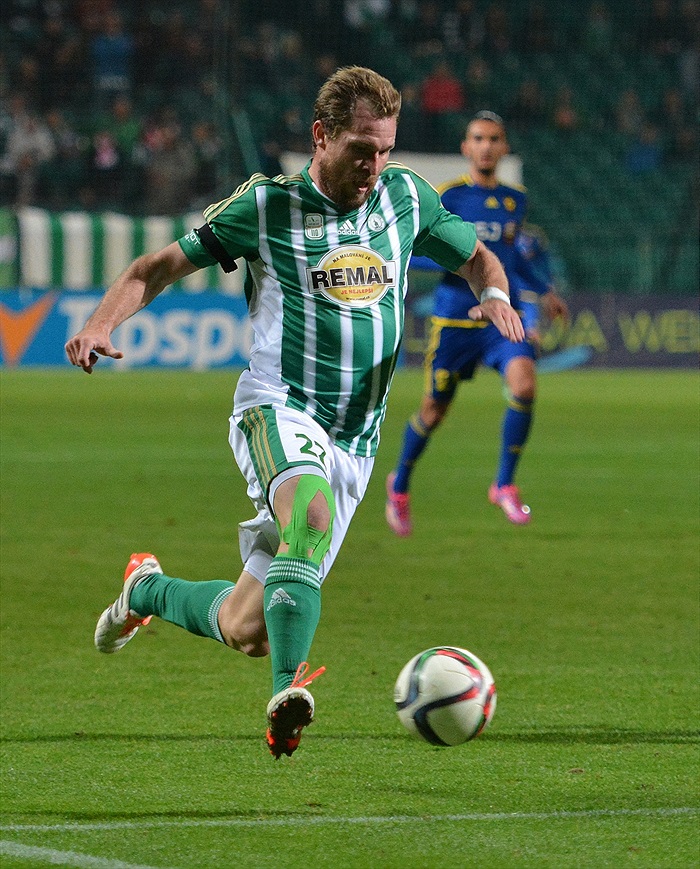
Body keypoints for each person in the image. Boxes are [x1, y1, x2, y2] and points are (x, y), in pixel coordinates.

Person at [65, 67, 523, 760]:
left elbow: (481, 260)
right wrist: (102, 321)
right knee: (306, 516)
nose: (374, 166)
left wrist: (494, 294)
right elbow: (153, 268)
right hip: (279, 407)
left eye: (385, 150)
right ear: (321, 137)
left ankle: (147, 588)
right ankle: (289, 693)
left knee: (247, 625)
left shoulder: (404, 198)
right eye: (360, 149)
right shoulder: (267, 207)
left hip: (355, 441)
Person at [385, 110, 568, 535]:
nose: (486, 146)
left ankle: (504, 484)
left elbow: (512, 259)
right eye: (478, 138)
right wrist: (467, 259)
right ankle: (400, 486)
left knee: (524, 384)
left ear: (504, 148)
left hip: (502, 315)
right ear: (466, 147)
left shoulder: (514, 199)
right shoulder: (447, 197)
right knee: (433, 411)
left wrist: (544, 289)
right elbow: (418, 251)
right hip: (455, 320)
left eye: (494, 139)